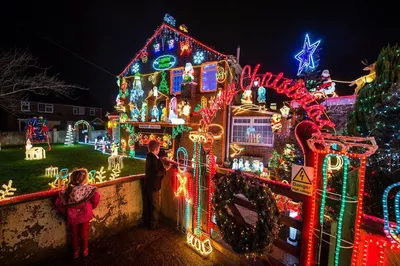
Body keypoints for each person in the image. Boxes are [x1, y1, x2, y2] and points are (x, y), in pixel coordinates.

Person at [55, 168, 101, 259]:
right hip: (85, 215)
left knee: (74, 234)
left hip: (72, 217)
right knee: (84, 233)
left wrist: (65, 213)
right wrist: (92, 207)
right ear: (85, 179)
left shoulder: (68, 191)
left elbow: (58, 203)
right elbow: (96, 197)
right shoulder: (88, 190)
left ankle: (75, 251)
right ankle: (85, 250)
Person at [143, 140, 171, 230]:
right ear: (156, 149)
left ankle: (148, 222)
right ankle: (153, 224)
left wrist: (166, 152)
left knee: (149, 204)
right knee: (155, 205)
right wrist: (167, 169)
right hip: (154, 185)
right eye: (159, 148)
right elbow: (157, 172)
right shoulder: (154, 159)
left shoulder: (149, 156)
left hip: (148, 184)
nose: (159, 150)